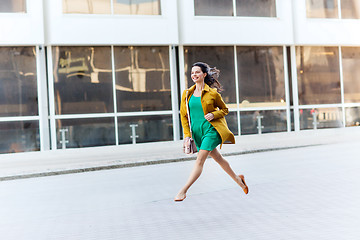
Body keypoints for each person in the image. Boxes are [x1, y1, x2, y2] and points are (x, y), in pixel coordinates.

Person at [174, 62, 249, 202]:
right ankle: (239, 180)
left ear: (204, 74)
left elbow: (225, 110)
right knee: (219, 159)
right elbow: (184, 117)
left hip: (211, 130)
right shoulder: (186, 95)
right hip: (197, 132)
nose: (194, 75)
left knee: (199, 160)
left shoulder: (212, 93)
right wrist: (187, 136)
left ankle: (183, 191)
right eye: (192, 73)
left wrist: (214, 115)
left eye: (197, 72)